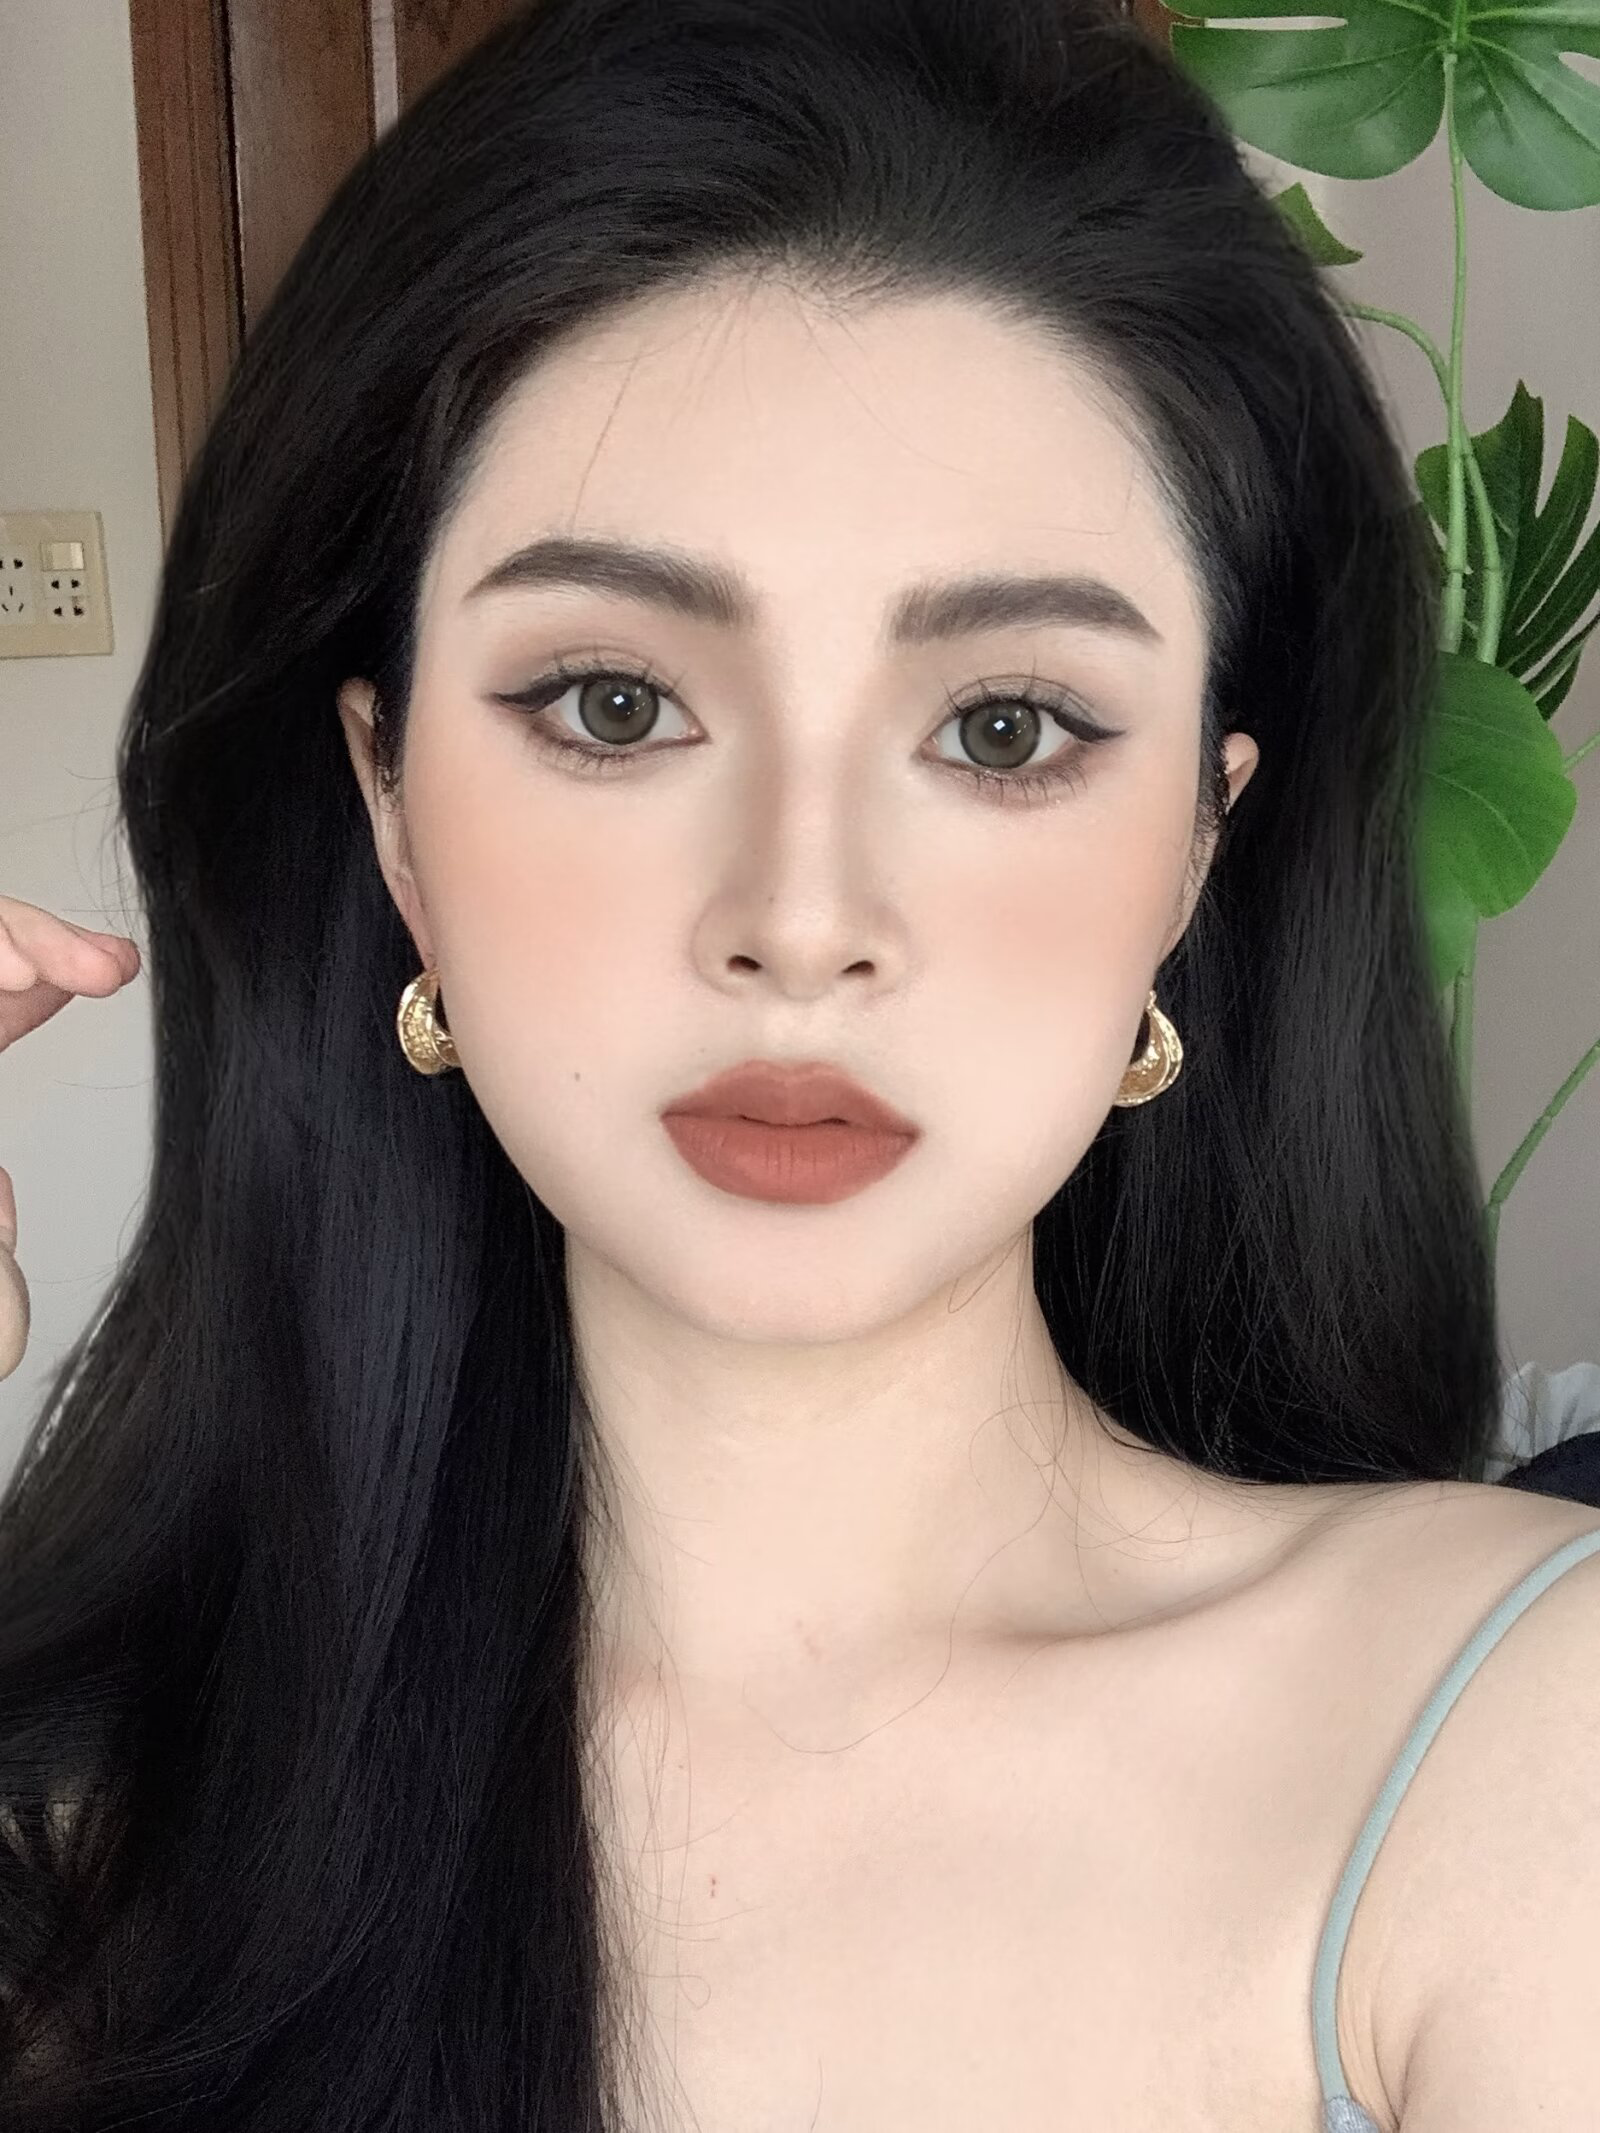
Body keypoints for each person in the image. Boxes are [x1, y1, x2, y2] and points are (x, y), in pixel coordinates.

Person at [1, 0, 1597, 2126]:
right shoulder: (82, 1827)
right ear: (390, 806)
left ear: (1193, 850)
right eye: (612, 704)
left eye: (1004, 728)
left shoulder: (1514, 1749)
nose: (801, 914)